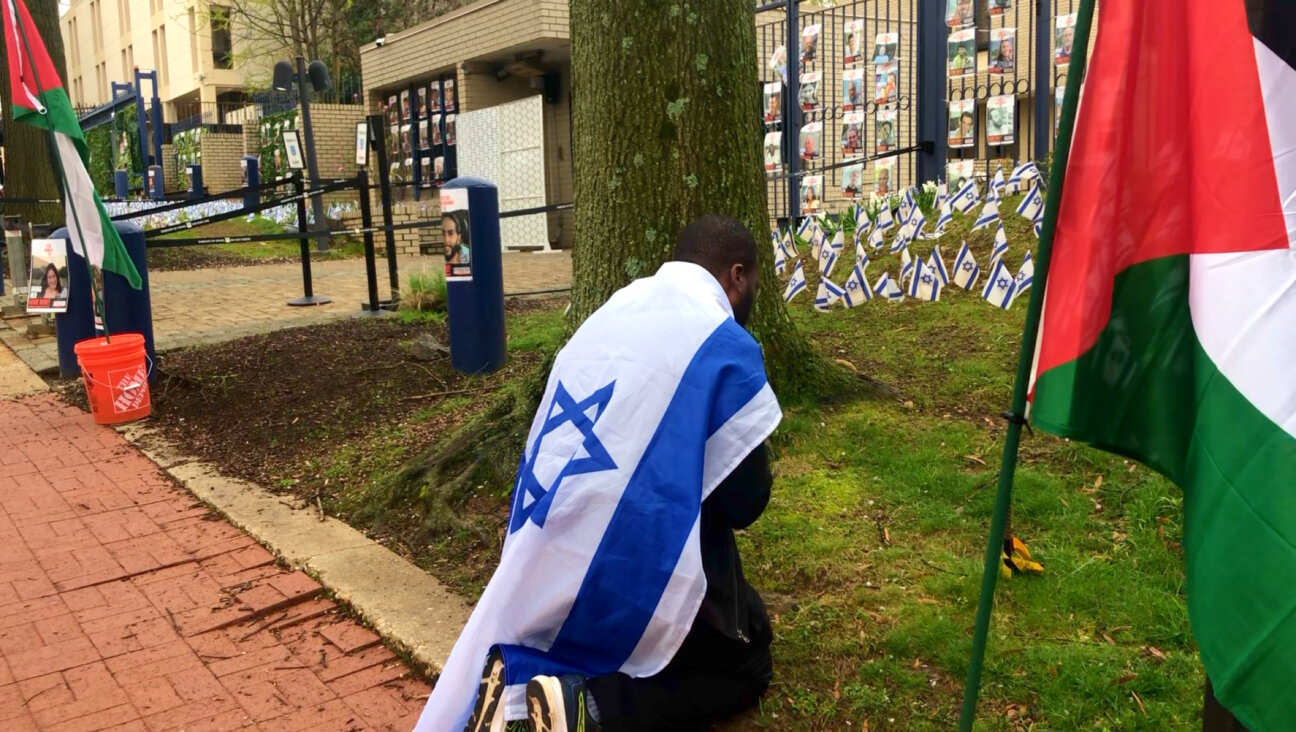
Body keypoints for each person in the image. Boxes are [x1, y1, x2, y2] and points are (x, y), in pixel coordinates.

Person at [425, 215, 781, 732]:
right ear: (737, 275)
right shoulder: (722, 343)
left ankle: (521, 683)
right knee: (749, 664)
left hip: (552, 545)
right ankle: (587, 706)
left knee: (743, 610)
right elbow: (745, 502)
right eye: (752, 285)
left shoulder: (615, 309)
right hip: (620, 559)